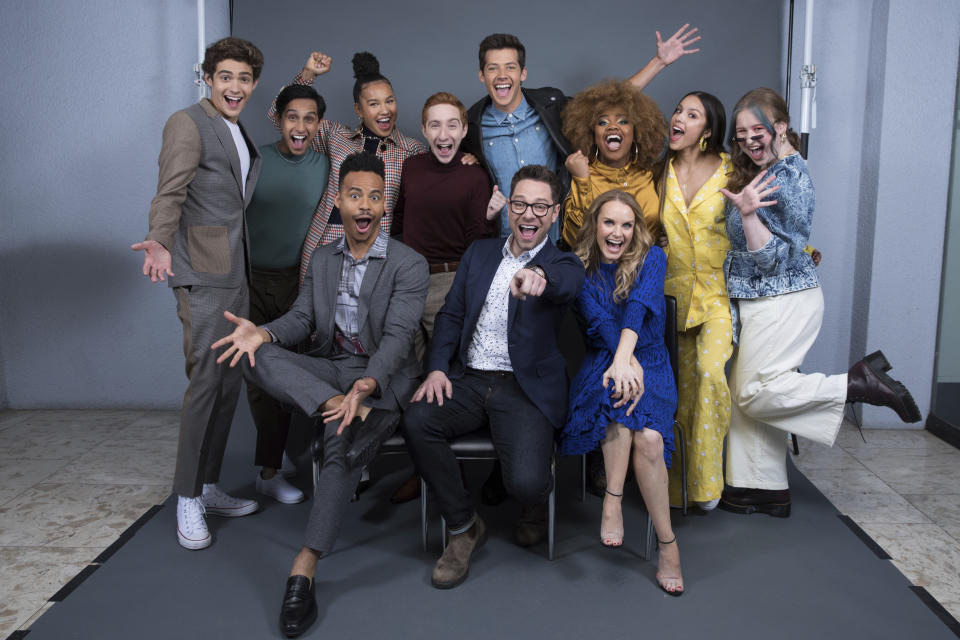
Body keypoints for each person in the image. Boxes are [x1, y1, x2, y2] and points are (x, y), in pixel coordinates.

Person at [210, 153, 429, 637]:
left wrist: (366, 386)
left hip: (382, 377)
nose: (365, 205)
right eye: (356, 195)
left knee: (340, 446)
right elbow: (302, 320)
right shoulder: (324, 257)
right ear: (339, 201)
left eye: (375, 196)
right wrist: (263, 334)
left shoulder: (408, 264)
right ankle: (337, 408)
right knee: (252, 355)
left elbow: (396, 338)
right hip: (330, 372)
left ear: (384, 205)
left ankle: (303, 568)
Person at [718, 88, 921, 518]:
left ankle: (856, 384)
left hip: (781, 298)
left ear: (781, 126)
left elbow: (771, 261)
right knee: (747, 392)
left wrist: (749, 214)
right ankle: (762, 487)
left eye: (760, 129)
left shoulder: (785, 178)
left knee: (756, 393)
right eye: (741, 134)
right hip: (769, 298)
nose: (751, 140)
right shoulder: (779, 168)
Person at [402, 165, 584, 589]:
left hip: (523, 388)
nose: (528, 214)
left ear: (554, 213)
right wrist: (436, 368)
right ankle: (465, 526)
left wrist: (540, 277)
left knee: (526, 482)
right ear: (509, 207)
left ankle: (534, 503)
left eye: (540, 206)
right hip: (468, 378)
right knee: (417, 420)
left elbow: (568, 283)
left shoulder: (561, 261)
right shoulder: (480, 253)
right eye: (520, 204)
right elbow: (451, 315)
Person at [130, 37, 263, 551]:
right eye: (225, 76)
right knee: (206, 383)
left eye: (244, 78)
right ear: (208, 77)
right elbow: (171, 190)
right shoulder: (188, 122)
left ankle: (207, 486)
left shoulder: (235, 127)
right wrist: (160, 241)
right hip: (204, 273)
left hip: (235, 272)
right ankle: (186, 497)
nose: (235, 86)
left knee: (229, 385)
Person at [463, 26, 700, 244]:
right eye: (493, 68)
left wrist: (659, 62)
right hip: (504, 243)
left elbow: (607, 101)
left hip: (554, 243)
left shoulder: (550, 106)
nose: (502, 75)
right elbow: (450, 157)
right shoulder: (472, 126)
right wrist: (466, 160)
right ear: (481, 75)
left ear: (523, 73)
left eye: (510, 67)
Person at [560, 190, 682, 595]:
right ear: (595, 224)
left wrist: (630, 363)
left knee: (649, 438)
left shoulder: (653, 258)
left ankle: (666, 544)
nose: (618, 232)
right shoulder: (580, 270)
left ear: (636, 229)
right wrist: (622, 365)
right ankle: (616, 503)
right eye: (609, 223)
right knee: (619, 400)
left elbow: (638, 310)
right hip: (604, 359)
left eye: (627, 224)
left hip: (651, 362)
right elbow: (603, 326)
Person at [387, 92, 499, 504]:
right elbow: (399, 221)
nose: (443, 133)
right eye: (435, 125)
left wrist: (489, 217)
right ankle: (422, 469)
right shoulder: (412, 167)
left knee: (448, 375)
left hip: (451, 283)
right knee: (408, 373)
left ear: (464, 130)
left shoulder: (473, 175)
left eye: (452, 124)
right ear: (424, 130)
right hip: (408, 278)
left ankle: (449, 474)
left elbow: (479, 242)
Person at [270, 50, 428, 282]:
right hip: (326, 241)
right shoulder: (336, 136)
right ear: (358, 109)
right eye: (373, 104)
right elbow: (279, 115)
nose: (385, 110)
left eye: (389, 101)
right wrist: (308, 74)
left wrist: (468, 158)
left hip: (374, 248)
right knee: (314, 313)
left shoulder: (412, 151)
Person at [245, 84, 330, 505]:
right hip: (249, 280)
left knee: (292, 372)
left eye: (310, 118)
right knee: (259, 373)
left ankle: (278, 456)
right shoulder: (255, 159)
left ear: (319, 125)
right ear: (278, 119)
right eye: (291, 117)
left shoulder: (326, 165)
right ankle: (268, 471)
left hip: (298, 281)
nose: (300, 126)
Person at [652, 91, 733, 511]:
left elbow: (760, 217)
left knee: (710, 374)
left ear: (708, 128)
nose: (678, 118)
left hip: (718, 295)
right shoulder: (656, 173)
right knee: (679, 396)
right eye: (678, 110)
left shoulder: (731, 171)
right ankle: (675, 488)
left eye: (691, 113)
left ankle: (706, 486)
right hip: (673, 297)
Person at [560, 80, 668, 245]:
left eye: (623, 121)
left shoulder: (649, 173)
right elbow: (575, 238)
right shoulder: (583, 175)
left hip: (647, 268)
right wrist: (582, 182)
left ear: (636, 131)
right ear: (592, 134)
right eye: (602, 122)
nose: (612, 127)